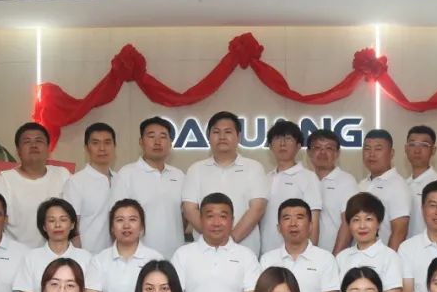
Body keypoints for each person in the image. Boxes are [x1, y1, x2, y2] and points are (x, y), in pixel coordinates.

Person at [182, 111, 268, 256]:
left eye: (228, 132)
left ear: (238, 137)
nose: (222, 137)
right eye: (216, 132)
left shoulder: (254, 168)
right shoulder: (195, 169)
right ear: (208, 136)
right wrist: (212, 239)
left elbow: (257, 208)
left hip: (244, 251)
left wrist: (230, 241)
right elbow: (189, 209)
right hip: (204, 252)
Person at [259, 198, 340, 292]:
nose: (293, 223)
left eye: (299, 217)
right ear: (279, 228)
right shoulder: (267, 260)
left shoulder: (326, 259)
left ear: (310, 226)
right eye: (287, 218)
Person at [110, 117, 186, 259]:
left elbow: (184, 216)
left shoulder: (179, 175)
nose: (157, 142)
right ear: (141, 142)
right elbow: (116, 217)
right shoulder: (127, 174)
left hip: (175, 256)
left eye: (163, 137)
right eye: (151, 136)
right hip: (139, 257)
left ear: (170, 143)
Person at [0, 122, 72, 248]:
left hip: (56, 253)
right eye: (27, 141)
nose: (33, 145)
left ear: (48, 149)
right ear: (18, 151)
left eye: (39, 141)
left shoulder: (63, 175)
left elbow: (74, 217)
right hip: (16, 254)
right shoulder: (4, 180)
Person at [14, 198, 93, 292]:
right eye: (51, 220)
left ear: (72, 224)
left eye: (63, 220)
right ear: (44, 226)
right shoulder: (31, 257)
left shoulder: (86, 258)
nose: (57, 225)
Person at [334, 192, 402, 292]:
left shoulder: (390, 256)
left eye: (369, 219)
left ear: (379, 223)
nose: (362, 226)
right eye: (356, 220)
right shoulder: (342, 257)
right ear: (349, 224)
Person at [259, 120, 322, 254]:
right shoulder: (265, 178)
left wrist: (310, 255)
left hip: (298, 254)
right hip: (267, 254)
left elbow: (314, 221)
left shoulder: (308, 177)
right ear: (270, 146)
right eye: (277, 138)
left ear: (298, 146)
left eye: (288, 138)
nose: (282, 143)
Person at [64, 122, 117, 253]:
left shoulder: (120, 179)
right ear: (87, 148)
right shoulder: (76, 182)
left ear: (114, 146)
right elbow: (71, 226)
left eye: (107, 142)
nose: (102, 148)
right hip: (88, 256)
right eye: (95, 143)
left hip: (117, 257)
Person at [307, 129, 358, 254]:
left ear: (337, 153)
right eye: (317, 147)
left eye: (329, 148)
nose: (322, 152)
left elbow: (348, 222)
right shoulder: (305, 179)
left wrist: (335, 257)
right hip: (306, 255)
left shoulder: (347, 181)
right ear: (309, 152)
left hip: (335, 255)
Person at [359, 129, 410, 250]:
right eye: (367, 149)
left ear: (391, 153)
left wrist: (388, 260)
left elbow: (399, 232)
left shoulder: (398, 186)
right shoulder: (361, 184)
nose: (371, 154)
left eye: (378, 149)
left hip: (382, 257)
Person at [404, 125, 437, 240]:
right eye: (412, 144)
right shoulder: (402, 184)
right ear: (406, 149)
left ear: (433, 150)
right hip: (405, 247)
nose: (417, 150)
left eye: (424, 145)